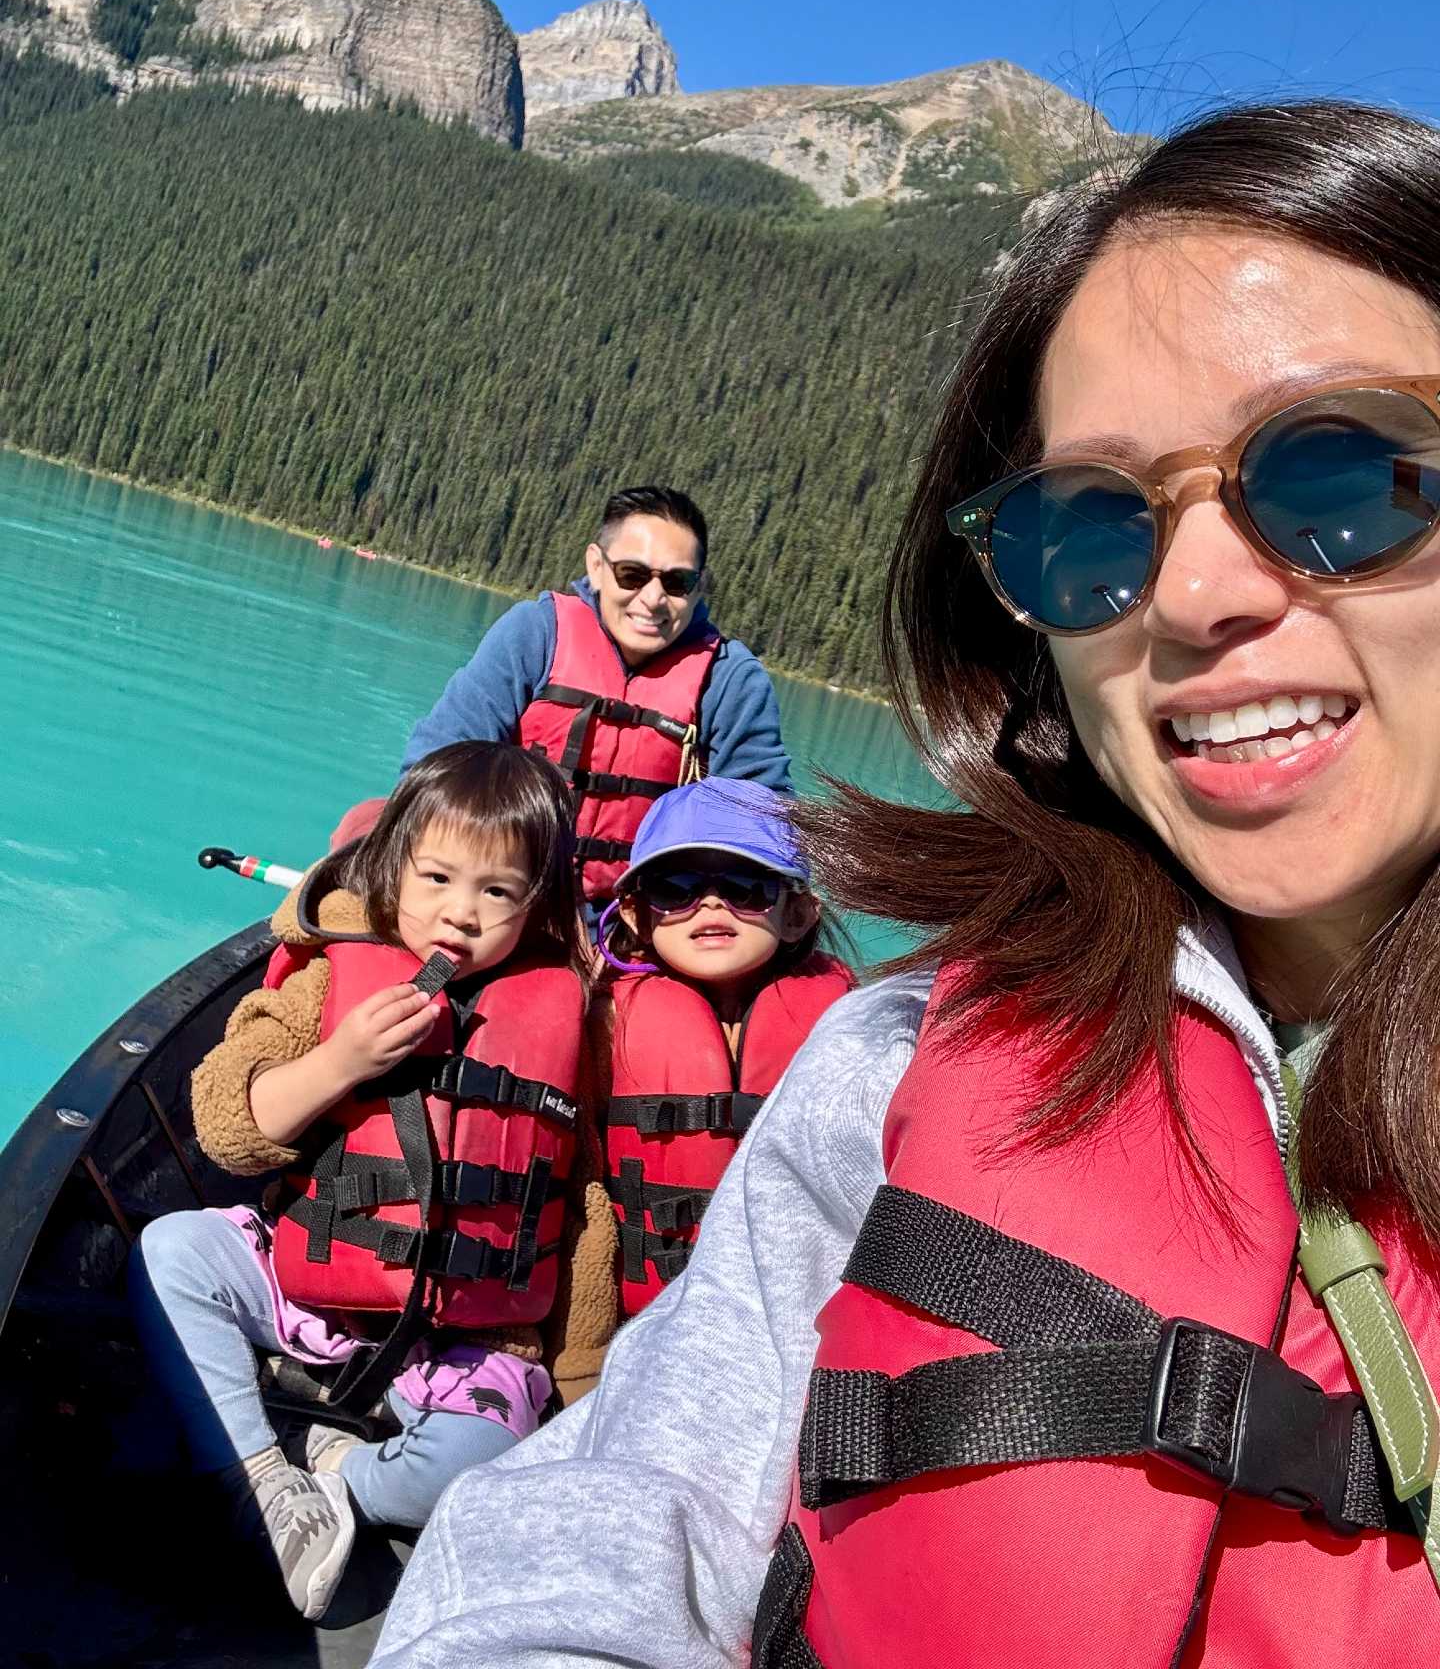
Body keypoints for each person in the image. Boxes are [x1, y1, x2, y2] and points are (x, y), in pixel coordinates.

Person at [368, 97, 1440, 1668]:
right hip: (572, 927)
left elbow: (748, 798)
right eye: (1090, 532)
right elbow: (625, 1513)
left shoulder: (729, 702)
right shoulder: (890, 1061)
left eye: (1341, 477)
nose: (1198, 596)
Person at [129, 743, 616, 1622]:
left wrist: (581, 1392)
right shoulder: (329, 975)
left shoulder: (565, 1017)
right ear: (391, 867)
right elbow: (227, 1129)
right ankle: (261, 1481)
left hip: (466, 1342)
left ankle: (338, 1469)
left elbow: (580, 1214)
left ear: (535, 904)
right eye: (436, 878)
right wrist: (340, 1060)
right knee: (173, 1251)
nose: (460, 915)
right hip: (306, 1288)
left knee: (470, 1469)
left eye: (498, 892)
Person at [336, 488, 792, 921]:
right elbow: (440, 761)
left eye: (677, 582)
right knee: (364, 839)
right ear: (596, 565)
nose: (652, 599)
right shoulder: (535, 633)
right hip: (497, 897)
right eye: (631, 575)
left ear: (698, 588)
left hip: (635, 919)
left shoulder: (731, 678)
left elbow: (762, 824)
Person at [595, 778, 854, 1312]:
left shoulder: (846, 1024)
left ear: (798, 914)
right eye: (675, 886)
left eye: (746, 886)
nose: (710, 902)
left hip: (788, 1315)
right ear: (636, 916)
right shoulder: (603, 1019)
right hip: (642, 1312)